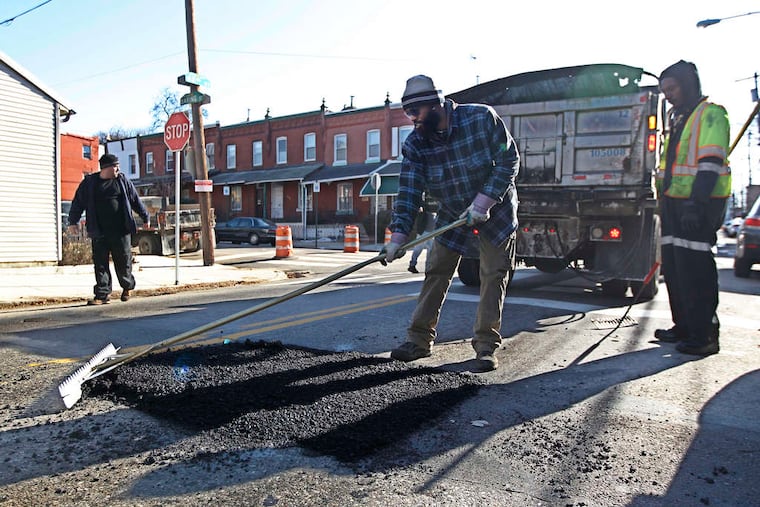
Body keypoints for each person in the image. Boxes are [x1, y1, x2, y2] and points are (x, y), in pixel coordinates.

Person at [382, 75, 520, 371]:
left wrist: (483, 202)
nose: (412, 121)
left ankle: (485, 346)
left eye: (415, 113)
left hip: (495, 210)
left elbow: (509, 160)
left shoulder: (481, 118)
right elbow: (409, 191)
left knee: (493, 274)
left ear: (435, 105)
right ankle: (418, 341)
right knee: (436, 270)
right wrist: (398, 237)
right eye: (408, 114)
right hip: (453, 211)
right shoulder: (417, 143)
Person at [654, 60, 731, 356]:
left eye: (671, 88)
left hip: (699, 205)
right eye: (664, 91)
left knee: (697, 270)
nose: (668, 95)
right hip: (674, 204)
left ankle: (705, 335)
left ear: (687, 85)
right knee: (675, 268)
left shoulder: (711, 115)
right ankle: (684, 326)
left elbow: (709, 164)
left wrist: (696, 205)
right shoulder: (678, 117)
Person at [68, 153, 150, 305]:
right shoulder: (90, 183)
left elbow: (135, 200)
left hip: (120, 230)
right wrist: (73, 221)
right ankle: (102, 294)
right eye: (115, 166)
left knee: (123, 261)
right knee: (100, 263)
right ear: (106, 168)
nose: (118, 169)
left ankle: (127, 287)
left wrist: (145, 217)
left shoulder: (122, 180)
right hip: (98, 230)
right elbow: (78, 202)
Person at [407, 206, 437, 274]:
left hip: (432, 231)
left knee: (430, 250)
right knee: (418, 249)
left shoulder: (438, 204)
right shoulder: (424, 204)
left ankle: (428, 267)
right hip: (424, 231)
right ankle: (413, 265)